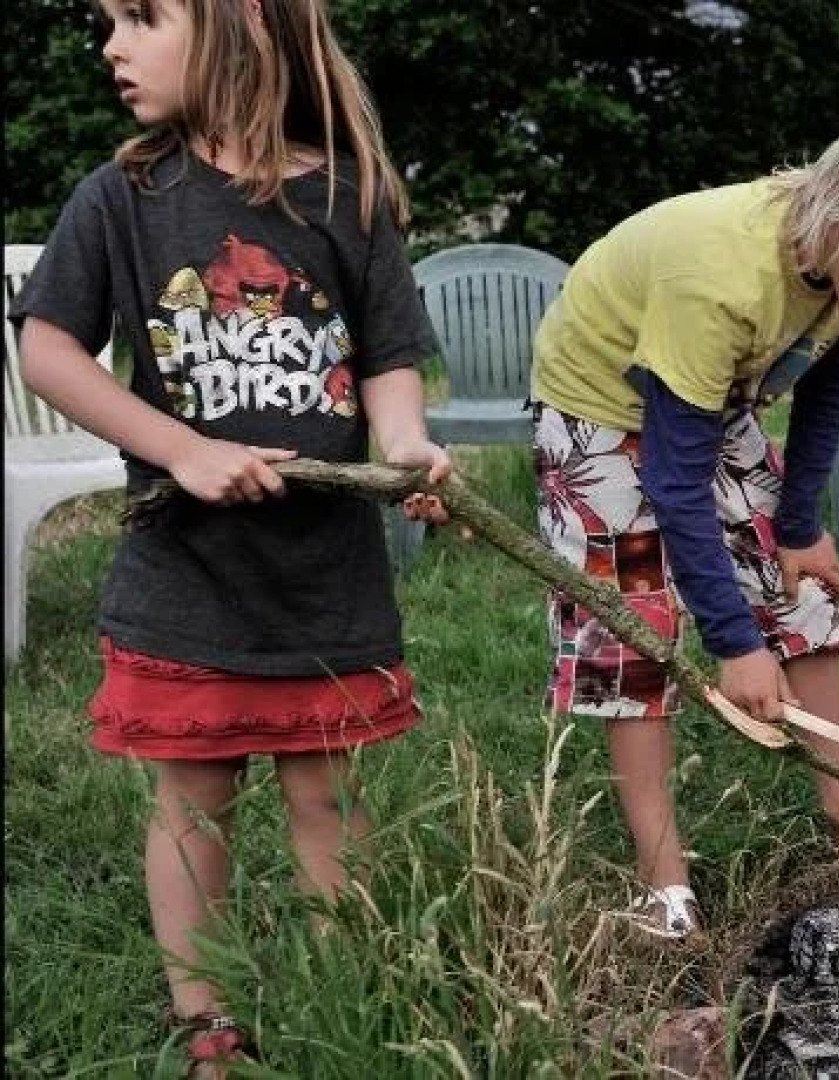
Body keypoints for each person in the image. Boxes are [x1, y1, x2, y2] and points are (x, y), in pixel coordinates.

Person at [11, 0, 449, 1071]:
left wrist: (407, 448)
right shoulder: (122, 196)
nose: (112, 46)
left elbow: (387, 354)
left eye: (140, 18)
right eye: (108, 22)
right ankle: (206, 1015)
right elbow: (50, 351)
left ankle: (330, 988)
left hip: (326, 575)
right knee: (193, 801)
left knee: (327, 799)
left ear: (239, 23)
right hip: (188, 571)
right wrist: (181, 448)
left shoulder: (351, 194)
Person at [530, 108, 839, 939]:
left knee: (805, 592)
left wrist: (797, 524)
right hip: (600, 414)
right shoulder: (720, 276)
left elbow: (824, 393)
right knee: (638, 633)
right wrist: (734, 644)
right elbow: (675, 484)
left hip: (709, 399)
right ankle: (663, 881)